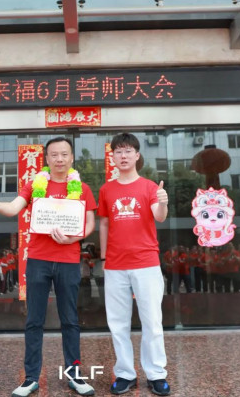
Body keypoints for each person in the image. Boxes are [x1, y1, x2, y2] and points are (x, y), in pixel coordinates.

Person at [0, 137, 96, 397]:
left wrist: (73, 238)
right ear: (46, 158)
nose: (59, 159)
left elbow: (90, 223)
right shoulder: (36, 185)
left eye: (64, 154)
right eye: (54, 154)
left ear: (71, 158)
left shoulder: (82, 188)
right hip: (38, 260)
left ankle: (75, 376)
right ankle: (31, 378)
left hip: (68, 260)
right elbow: (13, 207)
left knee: (70, 320)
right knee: (34, 320)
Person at [98, 133, 171, 396]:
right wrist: (104, 258)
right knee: (118, 323)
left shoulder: (150, 187)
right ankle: (125, 374)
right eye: (118, 151)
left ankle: (156, 374)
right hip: (115, 265)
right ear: (113, 157)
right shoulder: (106, 190)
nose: (123, 156)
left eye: (128, 151)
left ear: (137, 155)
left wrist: (163, 203)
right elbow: (104, 224)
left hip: (146, 263)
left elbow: (159, 217)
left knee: (152, 321)